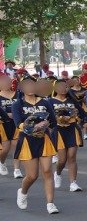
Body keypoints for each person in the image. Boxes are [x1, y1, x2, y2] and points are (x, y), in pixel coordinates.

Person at [12, 76, 58, 213]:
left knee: (47, 171)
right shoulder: (18, 104)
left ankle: (50, 204)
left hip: (44, 140)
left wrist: (45, 125)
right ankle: (23, 191)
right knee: (32, 175)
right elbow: (17, 123)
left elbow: (53, 121)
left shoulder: (45, 102)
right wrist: (31, 127)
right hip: (27, 140)